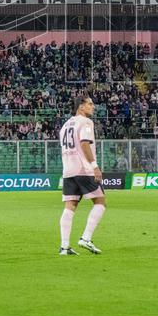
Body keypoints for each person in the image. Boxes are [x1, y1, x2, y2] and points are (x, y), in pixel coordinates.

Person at [57, 95, 106, 256]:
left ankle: (64, 247)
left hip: (68, 170)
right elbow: (84, 143)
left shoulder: (65, 125)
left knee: (70, 206)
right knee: (100, 202)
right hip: (83, 169)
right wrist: (95, 167)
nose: (93, 107)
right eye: (90, 104)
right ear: (81, 107)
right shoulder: (85, 122)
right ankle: (86, 238)